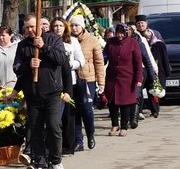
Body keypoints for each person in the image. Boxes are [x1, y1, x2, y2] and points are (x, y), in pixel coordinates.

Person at [14, 13, 72, 169]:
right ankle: (40, 166)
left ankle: (56, 161)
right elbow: (17, 67)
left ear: (39, 26)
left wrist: (44, 47)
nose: (30, 30)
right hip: (32, 94)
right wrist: (27, 65)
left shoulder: (53, 39)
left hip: (52, 92)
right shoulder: (22, 45)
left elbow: (61, 60)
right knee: (36, 130)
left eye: (33, 27)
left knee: (54, 127)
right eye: (27, 27)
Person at [102, 22, 143, 136]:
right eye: (118, 33)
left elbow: (138, 62)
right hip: (112, 77)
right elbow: (105, 55)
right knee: (112, 102)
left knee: (125, 103)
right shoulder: (111, 42)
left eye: (122, 33)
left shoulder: (132, 43)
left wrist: (138, 78)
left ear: (126, 33)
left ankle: (124, 126)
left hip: (127, 78)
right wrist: (102, 60)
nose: (120, 35)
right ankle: (115, 124)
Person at [70, 15, 104, 150]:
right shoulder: (68, 39)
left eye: (77, 25)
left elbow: (99, 62)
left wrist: (101, 82)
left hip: (87, 79)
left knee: (87, 110)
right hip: (72, 79)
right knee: (74, 111)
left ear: (82, 26)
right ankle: (79, 141)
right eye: (72, 25)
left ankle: (90, 134)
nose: (74, 28)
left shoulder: (92, 40)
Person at [54, 18, 84, 157]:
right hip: (53, 81)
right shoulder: (49, 41)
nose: (58, 28)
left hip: (69, 81)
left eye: (61, 26)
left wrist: (69, 65)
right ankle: (56, 145)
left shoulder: (72, 41)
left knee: (68, 115)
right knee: (55, 116)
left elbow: (81, 60)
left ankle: (68, 145)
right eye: (55, 26)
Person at [0, 25, 18, 92]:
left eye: (3, 35)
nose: (1, 37)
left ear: (10, 35)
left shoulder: (17, 48)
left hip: (15, 87)